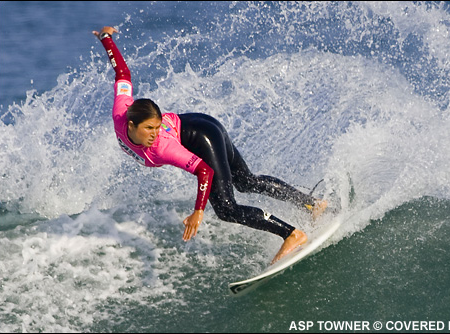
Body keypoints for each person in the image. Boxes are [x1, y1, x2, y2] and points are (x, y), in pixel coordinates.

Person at [93, 26, 327, 264]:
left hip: (202, 136)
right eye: (149, 129)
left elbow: (204, 170)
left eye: (157, 126)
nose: (154, 133)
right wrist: (106, 38)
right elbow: (122, 73)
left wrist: (198, 211)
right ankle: (313, 204)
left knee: (227, 209)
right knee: (247, 181)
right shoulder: (120, 112)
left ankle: (292, 234)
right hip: (203, 123)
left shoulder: (162, 147)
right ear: (131, 125)